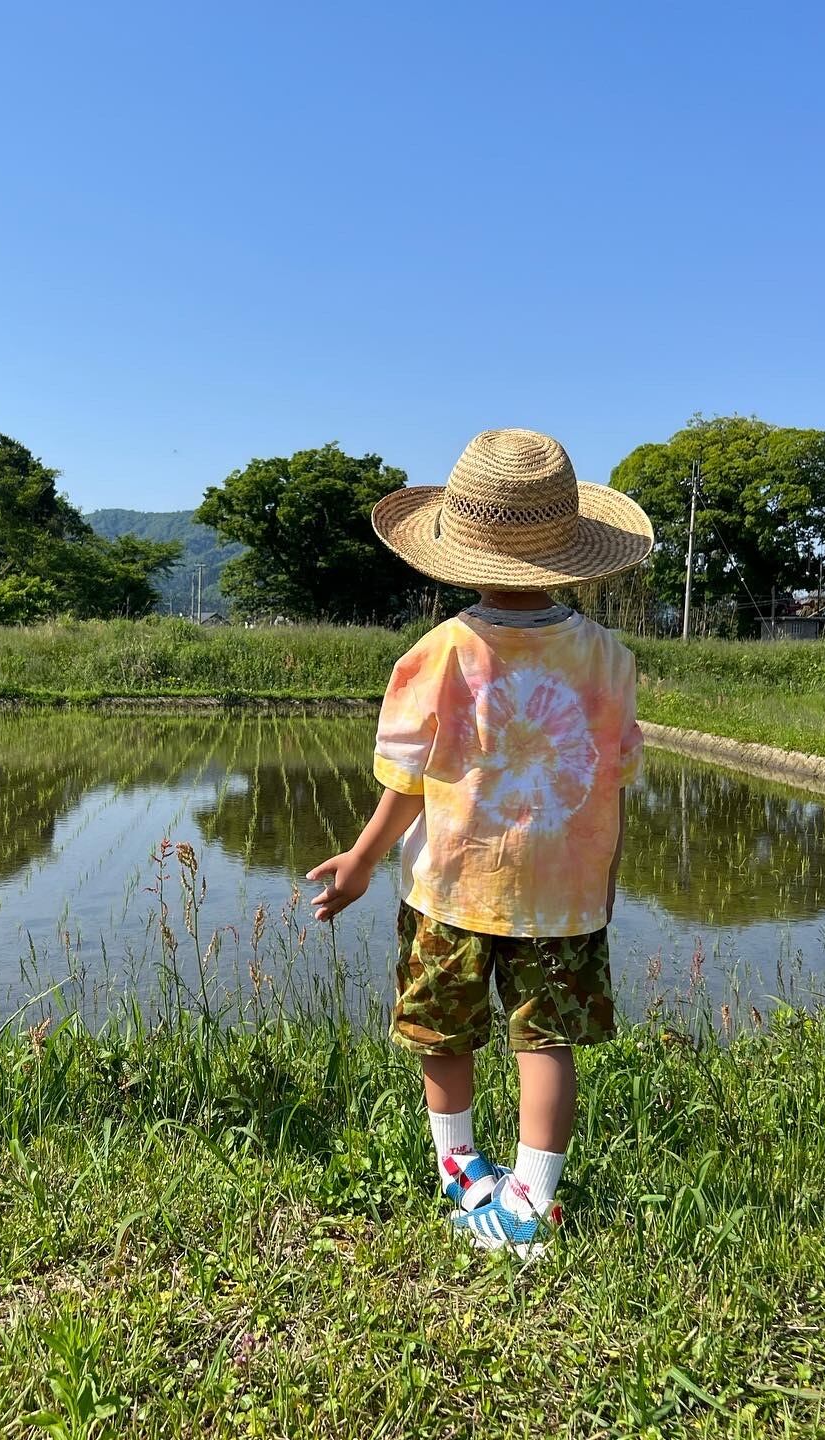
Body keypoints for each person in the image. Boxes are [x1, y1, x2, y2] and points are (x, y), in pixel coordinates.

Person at [307, 429, 653, 1256]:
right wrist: (606, 878)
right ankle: (532, 1197)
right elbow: (611, 779)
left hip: (451, 886)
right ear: (569, 551)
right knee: (547, 1037)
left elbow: (408, 780)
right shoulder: (608, 657)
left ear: (459, 551)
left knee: (443, 1029)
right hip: (563, 892)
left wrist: (360, 861)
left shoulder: (440, 652)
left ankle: (460, 1171)